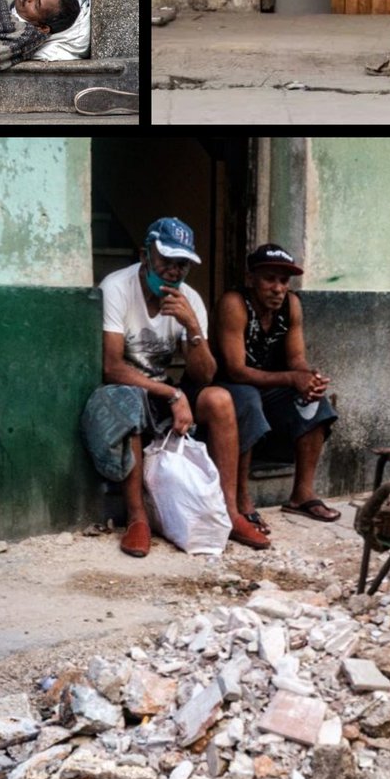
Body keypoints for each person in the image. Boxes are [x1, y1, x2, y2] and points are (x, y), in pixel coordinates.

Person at [82, 217, 269, 557]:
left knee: (221, 400)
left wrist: (193, 327)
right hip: (126, 391)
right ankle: (137, 518)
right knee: (129, 402)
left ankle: (230, 512)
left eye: (181, 263)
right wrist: (173, 394)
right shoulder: (117, 287)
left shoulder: (190, 299)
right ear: (145, 255)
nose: (173, 270)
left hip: (166, 390)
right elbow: (111, 367)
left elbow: (205, 376)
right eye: (165, 260)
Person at [209, 244, 341, 529]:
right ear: (251, 278)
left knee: (316, 401)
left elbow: (296, 359)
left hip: (268, 387)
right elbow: (236, 369)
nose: (278, 288)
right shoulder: (234, 303)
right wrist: (291, 378)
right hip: (229, 387)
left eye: (283, 281)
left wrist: (308, 377)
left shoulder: (291, 304)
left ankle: (302, 495)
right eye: (270, 278)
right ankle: (242, 499)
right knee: (247, 400)